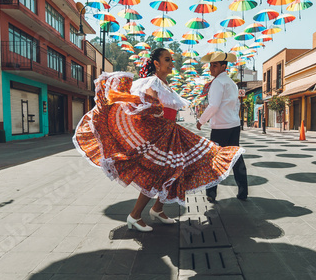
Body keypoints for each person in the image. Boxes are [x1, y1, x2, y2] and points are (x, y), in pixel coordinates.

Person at [73, 47, 244, 232]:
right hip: (160, 135)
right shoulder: (153, 82)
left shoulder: (164, 84)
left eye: (171, 60)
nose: (172, 63)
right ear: (157, 63)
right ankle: (135, 215)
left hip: (170, 133)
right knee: (158, 173)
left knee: (174, 171)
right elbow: (148, 105)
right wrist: (154, 107)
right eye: (168, 60)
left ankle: (157, 209)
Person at [196, 51, 248, 203]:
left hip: (221, 127)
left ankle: (211, 192)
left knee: (214, 159)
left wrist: (201, 120)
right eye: (211, 65)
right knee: (236, 157)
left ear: (223, 66)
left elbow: (213, 105)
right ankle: (243, 191)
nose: (211, 68)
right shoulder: (231, 83)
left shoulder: (218, 82)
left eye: (215, 65)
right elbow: (235, 104)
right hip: (233, 125)